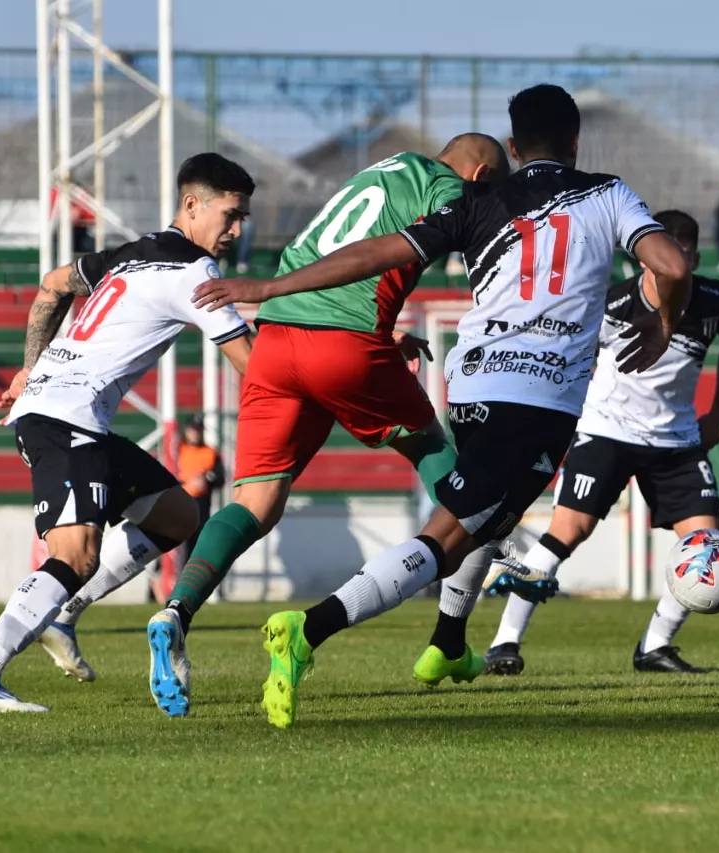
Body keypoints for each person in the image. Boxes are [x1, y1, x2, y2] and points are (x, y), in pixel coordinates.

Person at [194, 83, 692, 729]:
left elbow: (374, 252)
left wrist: (272, 286)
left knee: (476, 525)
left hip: (474, 387)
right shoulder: (608, 192)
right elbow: (671, 265)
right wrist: (663, 323)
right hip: (538, 400)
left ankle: (447, 644)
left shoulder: (478, 200)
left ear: (516, 145)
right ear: (575, 142)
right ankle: (307, 630)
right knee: (447, 537)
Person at [142, 135, 510, 718]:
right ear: (481, 174)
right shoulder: (451, 190)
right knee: (435, 452)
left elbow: (340, 246)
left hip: (277, 339)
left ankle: (176, 611)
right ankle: (481, 552)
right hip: (345, 341)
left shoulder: (381, 171)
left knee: (254, 505)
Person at [0, 153, 255, 710]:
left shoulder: (130, 254)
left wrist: (30, 369)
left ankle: (62, 614)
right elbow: (251, 365)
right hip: (66, 417)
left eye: (242, 219)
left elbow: (51, 286)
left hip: (63, 411)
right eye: (230, 216)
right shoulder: (195, 271)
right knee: (76, 555)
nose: (235, 231)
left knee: (177, 515)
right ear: (192, 205)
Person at [482, 209, 719, 676]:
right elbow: (568, 356)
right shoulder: (613, 304)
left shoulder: (717, 301)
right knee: (567, 531)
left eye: (684, 258)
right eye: (665, 257)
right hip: (607, 433)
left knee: (709, 545)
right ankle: (504, 642)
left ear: (695, 260)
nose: (673, 268)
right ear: (646, 258)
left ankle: (655, 646)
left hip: (677, 440)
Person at [176, 417, 225, 561]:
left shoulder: (210, 452)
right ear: (187, 431)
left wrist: (206, 480)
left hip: (201, 504)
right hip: (178, 502)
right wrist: (186, 483)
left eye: (198, 430)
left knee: (197, 544)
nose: (195, 434)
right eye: (192, 430)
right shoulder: (178, 450)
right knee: (173, 544)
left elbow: (220, 479)